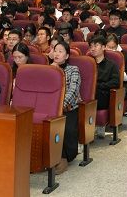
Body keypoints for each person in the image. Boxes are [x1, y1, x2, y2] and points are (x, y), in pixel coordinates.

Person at [51, 40, 81, 174]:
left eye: (60, 51)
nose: (57, 54)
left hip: (68, 107)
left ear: (67, 56)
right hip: (51, 108)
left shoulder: (73, 70)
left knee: (66, 129)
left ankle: (63, 157)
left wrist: (60, 106)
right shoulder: (48, 69)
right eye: (55, 51)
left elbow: (73, 90)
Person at [89, 35, 120, 138]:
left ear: (103, 47)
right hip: (89, 93)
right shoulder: (88, 63)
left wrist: (99, 86)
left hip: (103, 94)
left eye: (96, 46)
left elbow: (115, 82)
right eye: (91, 46)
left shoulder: (111, 65)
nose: (92, 49)